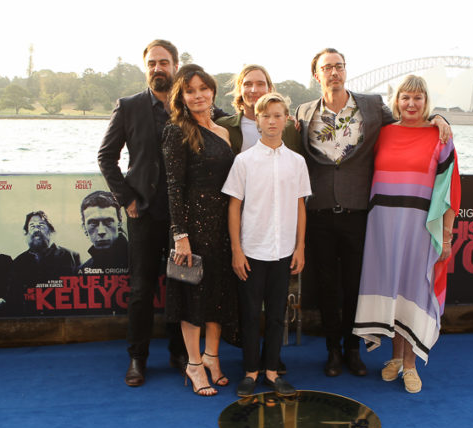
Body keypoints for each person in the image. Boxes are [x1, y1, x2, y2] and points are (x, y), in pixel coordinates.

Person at [295, 48, 452, 377]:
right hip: (319, 213)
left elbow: (409, 120)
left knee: (356, 285)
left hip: (359, 215)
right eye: (327, 67)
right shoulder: (304, 112)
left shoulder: (371, 105)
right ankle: (332, 351)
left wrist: (440, 118)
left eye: (339, 66)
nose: (334, 72)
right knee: (326, 287)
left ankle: (353, 350)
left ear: (345, 70)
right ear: (316, 75)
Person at [352, 75, 461, 393]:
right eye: (405, 97)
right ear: (396, 101)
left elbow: (451, 190)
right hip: (382, 228)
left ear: (426, 101)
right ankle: (396, 358)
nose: (411, 104)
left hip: (420, 228)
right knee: (392, 290)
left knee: (414, 290)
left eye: (417, 98)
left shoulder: (440, 136)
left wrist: (447, 235)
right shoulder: (383, 133)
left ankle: (411, 365)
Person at [98, 39, 193, 386]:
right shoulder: (129, 107)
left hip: (183, 217)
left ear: (176, 66)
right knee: (141, 290)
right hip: (144, 214)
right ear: (146, 68)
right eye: (152, 63)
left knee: (181, 287)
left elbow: (223, 129)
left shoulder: (190, 103)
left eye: (163, 62)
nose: (157, 68)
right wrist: (127, 199)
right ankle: (137, 357)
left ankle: (180, 354)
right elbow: (106, 157)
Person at [222, 92, 312, 397]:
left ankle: (272, 371)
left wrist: (300, 247)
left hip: (283, 251)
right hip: (251, 251)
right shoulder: (244, 161)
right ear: (257, 121)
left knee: (276, 314)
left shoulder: (297, 162)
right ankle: (250, 371)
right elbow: (234, 207)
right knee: (249, 314)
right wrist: (237, 250)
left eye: (277, 116)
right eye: (266, 116)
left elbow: (300, 206)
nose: (272, 121)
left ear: (286, 120)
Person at [163, 64, 237, 397]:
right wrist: (180, 235)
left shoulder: (223, 131)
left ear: (213, 91)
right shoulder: (176, 131)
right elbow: (174, 187)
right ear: (181, 96)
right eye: (190, 90)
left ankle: (212, 357)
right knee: (192, 297)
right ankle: (194, 364)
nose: (198, 96)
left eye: (203, 89)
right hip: (192, 228)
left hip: (222, 225)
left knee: (218, 295)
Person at [11, 211, 81, 315]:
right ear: (26, 232)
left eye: (41, 225)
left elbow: (80, 295)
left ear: (50, 230)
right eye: (32, 226)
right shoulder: (18, 262)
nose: (36, 229)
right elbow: (14, 299)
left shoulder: (71, 257)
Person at [78, 190, 128, 270]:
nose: (101, 232)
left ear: (119, 222)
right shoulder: (82, 271)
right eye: (93, 223)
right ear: (84, 227)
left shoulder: (140, 261)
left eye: (108, 221)